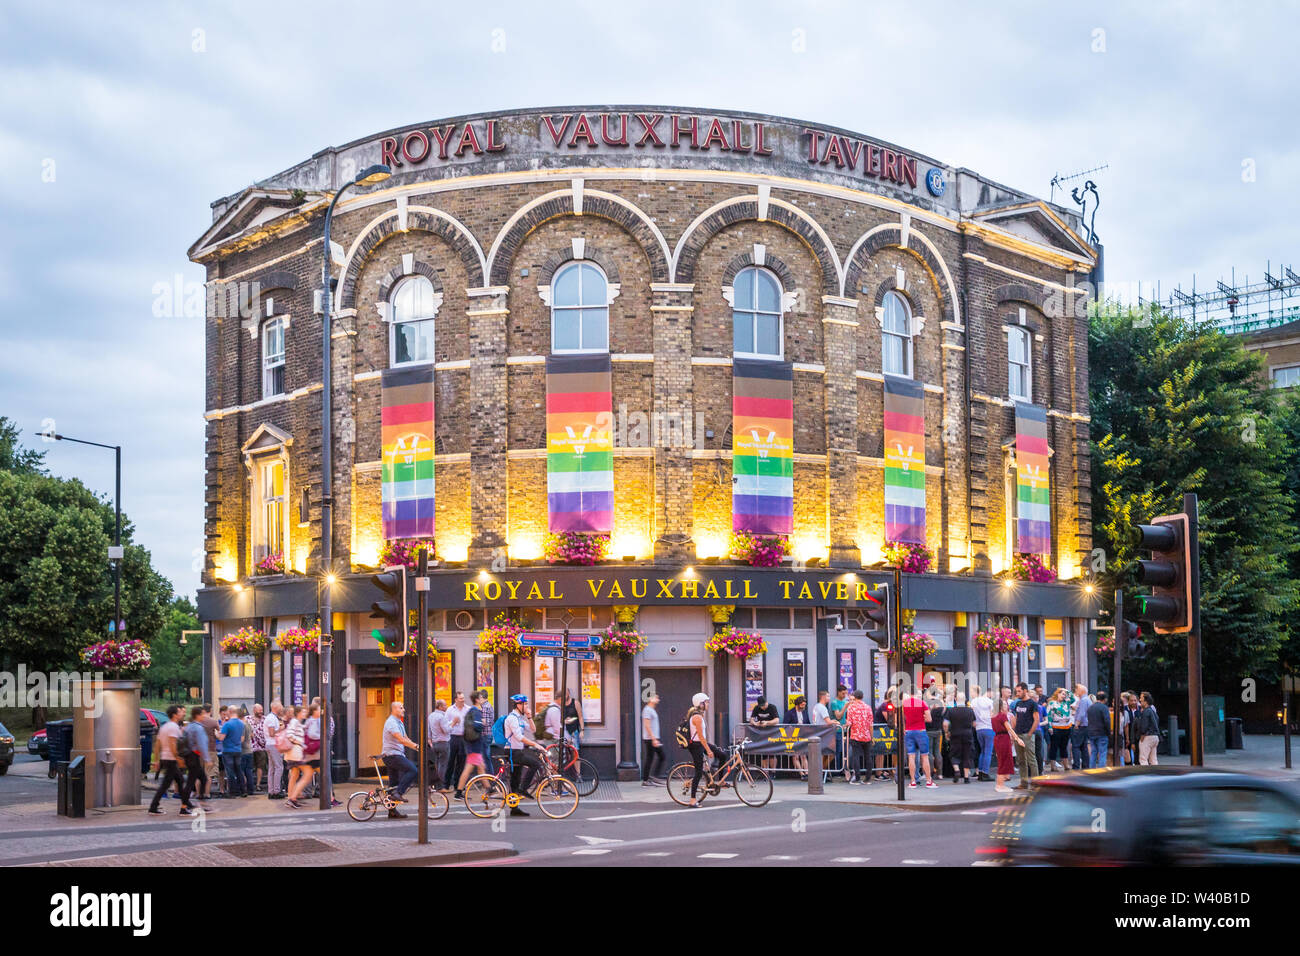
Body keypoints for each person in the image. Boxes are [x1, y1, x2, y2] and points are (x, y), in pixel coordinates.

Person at [503, 694, 547, 816]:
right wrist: (535, 744)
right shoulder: (512, 718)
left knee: (515, 780)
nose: (527, 706)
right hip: (512, 752)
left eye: (527, 704)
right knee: (536, 764)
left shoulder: (520, 718)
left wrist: (529, 716)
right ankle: (524, 789)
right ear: (518, 705)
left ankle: (514, 808)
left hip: (517, 751)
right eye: (525, 704)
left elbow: (533, 730)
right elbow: (519, 737)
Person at [149, 705, 194, 815]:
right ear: (174, 715)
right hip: (171, 759)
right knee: (167, 784)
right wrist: (178, 758)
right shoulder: (173, 727)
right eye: (179, 712)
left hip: (166, 758)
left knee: (179, 781)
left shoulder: (165, 727)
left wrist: (157, 760)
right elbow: (173, 744)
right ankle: (154, 807)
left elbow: (157, 745)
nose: (182, 714)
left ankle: (186, 805)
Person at [381, 701, 418, 818]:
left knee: (393, 784)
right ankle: (399, 793)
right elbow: (401, 740)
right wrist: (416, 746)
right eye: (401, 708)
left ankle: (392, 811)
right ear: (394, 710)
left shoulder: (399, 722)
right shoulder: (391, 722)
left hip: (395, 755)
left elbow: (405, 738)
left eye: (403, 707)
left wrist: (417, 747)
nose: (404, 710)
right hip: (392, 755)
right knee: (412, 770)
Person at [901, 690, 937, 788]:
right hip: (920, 731)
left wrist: (904, 728)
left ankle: (913, 781)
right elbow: (929, 719)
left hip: (909, 731)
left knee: (911, 757)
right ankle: (929, 781)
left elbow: (901, 718)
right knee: (924, 756)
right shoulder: (922, 703)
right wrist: (922, 718)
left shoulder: (904, 704)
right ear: (917, 694)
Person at [685, 692, 714, 807]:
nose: (708, 704)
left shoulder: (699, 715)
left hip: (700, 744)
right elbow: (701, 737)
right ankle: (692, 800)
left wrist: (710, 748)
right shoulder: (697, 717)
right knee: (698, 772)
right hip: (696, 746)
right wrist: (708, 750)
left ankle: (719, 782)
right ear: (701, 704)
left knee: (721, 754)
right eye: (706, 702)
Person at [456, 693, 488, 793]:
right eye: (482, 697)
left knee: (481, 767)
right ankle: (459, 792)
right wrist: (483, 723)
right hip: (475, 744)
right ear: (477, 700)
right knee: (470, 768)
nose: (484, 699)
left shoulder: (471, 710)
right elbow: (477, 725)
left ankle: (489, 789)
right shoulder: (476, 711)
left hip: (472, 744)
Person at [1010, 683, 1040, 787]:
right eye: (1016, 691)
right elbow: (1017, 718)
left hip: (1027, 734)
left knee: (1031, 760)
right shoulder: (1018, 704)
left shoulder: (1032, 703)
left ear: (1025, 691)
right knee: (1021, 760)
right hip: (1018, 735)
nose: (1017, 693)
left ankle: (1035, 784)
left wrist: (1030, 734)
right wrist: (1014, 733)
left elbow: (1037, 720)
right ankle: (1023, 783)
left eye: (1019, 691)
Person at [181, 705, 210, 810]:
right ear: (197, 715)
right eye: (202, 714)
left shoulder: (189, 726)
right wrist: (207, 759)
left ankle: (189, 802)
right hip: (194, 756)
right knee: (195, 780)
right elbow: (202, 744)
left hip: (189, 756)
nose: (204, 716)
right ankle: (188, 804)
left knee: (197, 779)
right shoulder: (198, 728)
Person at [283, 705, 312, 809]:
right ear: (299, 713)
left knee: (294, 775)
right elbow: (289, 735)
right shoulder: (295, 722)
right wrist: (300, 743)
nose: (304, 713)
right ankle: (292, 798)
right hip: (296, 754)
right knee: (308, 773)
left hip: (293, 754)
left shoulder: (297, 722)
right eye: (303, 712)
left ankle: (291, 798)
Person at [944, 692, 976, 783]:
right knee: (967, 755)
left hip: (955, 734)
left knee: (954, 754)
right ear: (965, 699)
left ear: (956, 700)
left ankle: (957, 770)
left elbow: (945, 724)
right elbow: (974, 724)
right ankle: (966, 777)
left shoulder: (951, 711)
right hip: (968, 734)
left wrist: (947, 733)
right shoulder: (970, 710)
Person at [217, 706, 246, 798]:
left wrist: (216, 733)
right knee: (239, 771)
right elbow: (241, 739)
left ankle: (232, 792)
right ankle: (243, 790)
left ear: (229, 712)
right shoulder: (241, 723)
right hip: (238, 750)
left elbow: (221, 738)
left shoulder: (227, 724)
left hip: (228, 750)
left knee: (230, 772)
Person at [845, 690, 873, 784]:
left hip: (856, 735)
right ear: (862, 696)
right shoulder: (868, 707)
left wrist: (845, 725)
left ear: (854, 697)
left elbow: (849, 723)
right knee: (868, 757)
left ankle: (857, 778)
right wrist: (871, 737)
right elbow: (870, 724)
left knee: (856, 756)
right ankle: (868, 778)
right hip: (867, 735)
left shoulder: (851, 708)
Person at [445, 691, 470, 796]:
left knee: (461, 762)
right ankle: (446, 785)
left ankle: (458, 785)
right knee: (450, 761)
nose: (463, 700)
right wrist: (453, 722)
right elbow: (445, 724)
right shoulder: (450, 710)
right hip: (453, 737)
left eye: (463, 698)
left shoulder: (468, 709)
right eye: (460, 698)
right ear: (455, 700)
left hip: (464, 738)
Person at [1045, 688, 1074, 772]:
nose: (1064, 695)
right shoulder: (1052, 703)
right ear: (1057, 694)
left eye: (1065, 694)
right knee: (1054, 746)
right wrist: (1050, 727)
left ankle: (1065, 765)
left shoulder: (1067, 702)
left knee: (1064, 746)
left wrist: (1067, 691)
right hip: (1056, 727)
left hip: (1066, 727)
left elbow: (1073, 698)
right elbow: (1049, 715)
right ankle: (1053, 766)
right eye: (1062, 693)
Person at [748, 695, 779, 772]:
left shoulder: (772, 707)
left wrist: (767, 723)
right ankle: (765, 772)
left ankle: (773, 772)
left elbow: (777, 720)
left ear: (766, 702)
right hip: (761, 734)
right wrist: (755, 724)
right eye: (761, 706)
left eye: (764, 705)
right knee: (763, 754)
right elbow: (751, 719)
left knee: (772, 753)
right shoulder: (756, 708)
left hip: (772, 733)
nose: (763, 708)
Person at [969, 686, 994, 781]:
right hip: (988, 727)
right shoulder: (989, 701)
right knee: (987, 751)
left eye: (971, 692)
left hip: (979, 729)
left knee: (982, 751)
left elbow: (972, 716)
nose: (971, 694)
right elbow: (993, 714)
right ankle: (985, 773)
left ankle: (980, 772)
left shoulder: (973, 702)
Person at [782, 696, 810, 778]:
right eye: (802, 705)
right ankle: (802, 774)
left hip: (802, 736)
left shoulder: (804, 712)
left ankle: (807, 773)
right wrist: (794, 726)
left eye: (804, 705)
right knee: (795, 756)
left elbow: (808, 723)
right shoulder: (790, 713)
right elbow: (785, 725)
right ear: (797, 704)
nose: (803, 707)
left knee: (804, 755)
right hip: (793, 736)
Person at [991, 699, 1016, 792]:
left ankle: (1000, 784)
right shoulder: (1002, 716)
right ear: (1001, 706)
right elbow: (1009, 729)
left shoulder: (993, 715)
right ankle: (1000, 785)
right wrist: (1017, 738)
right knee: (1004, 762)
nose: (1007, 706)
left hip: (998, 738)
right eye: (1005, 704)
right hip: (1004, 738)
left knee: (1002, 761)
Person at [642, 693, 665, 786]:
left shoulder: (650, 710)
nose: (658, 699)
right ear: (650, 699)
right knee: (662, 756)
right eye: (656, 697)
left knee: (650, 758)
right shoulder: (647, 710)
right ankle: (654, 778)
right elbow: (647, 725)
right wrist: (653, 739)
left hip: (651, 738)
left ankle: (646, 780)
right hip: (650, 738)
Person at [829, 685, 851, 781]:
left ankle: (844, 769)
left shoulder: (845, 701)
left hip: (845, 729)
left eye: (845, 693)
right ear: (838, 692)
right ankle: (837, 770)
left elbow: (846, 715)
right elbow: (838, 716)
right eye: (843, 693)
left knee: (845, 751)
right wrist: (845, 706)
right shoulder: (834, 703)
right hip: (838, 730)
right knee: (838, 750)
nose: (844, 695)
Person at [427, 700, 451, 791]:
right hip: (443, 743)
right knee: (443, 765)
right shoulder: (442, 717)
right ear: (440, 707)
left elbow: (428, 730)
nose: (446, 706)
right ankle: (440, 787)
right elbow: (447, 730)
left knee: (437, 765)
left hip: (434, 743)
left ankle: (435, 785)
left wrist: (430, 741)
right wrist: (454, 723)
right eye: (445, 705)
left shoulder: (431, 716)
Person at [200, 705, 222, 797]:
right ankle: (207, 793)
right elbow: (219, 735)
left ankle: (198, 793)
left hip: (199, 750)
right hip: (211, 749)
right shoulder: (213, 721)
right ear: (211, 711)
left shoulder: (198, 721)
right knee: (209, 774)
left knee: (199, 773)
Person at [264, 702, 285, 799]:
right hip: (273, 745)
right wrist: (281, 729)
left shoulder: (272, 717)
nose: (282, 708)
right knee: (279, 767)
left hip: (270, 744)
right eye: (280, 706)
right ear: (275, 707)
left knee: (272, 769)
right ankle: (276, 791)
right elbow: (272, 733)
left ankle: (271, 791)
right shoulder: (272, 718)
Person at [1087, 691, 1111, 767]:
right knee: (1102, 753)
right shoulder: (1104, 708)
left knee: (1093, 752)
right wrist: (1108, 732)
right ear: (1105, 699)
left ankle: (1092, 769)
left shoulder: (1090, 708)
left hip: (1091, 733)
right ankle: (1101, 771)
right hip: (1102, 733)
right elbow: (1107, 721)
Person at [1136, 692, 1160, 765]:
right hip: (1155, 736)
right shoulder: (1152, 711)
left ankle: (1145, 775)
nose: (1139, 700)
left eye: (1141, 699)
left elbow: (1144, 726)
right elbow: (1157, 720)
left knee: (1143, 759)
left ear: (1145, 701)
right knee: (1153, 760)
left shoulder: (1146, 711)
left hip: (1147, 736)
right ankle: (1155, 775)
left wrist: (1142, 734)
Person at [1070, 683, 1091, 770]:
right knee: (1084, 747)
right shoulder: (1087, 700)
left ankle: (1076, 766)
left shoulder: (1083, 700)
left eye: (1077, 689)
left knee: (1075, 746)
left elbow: (1082, 714)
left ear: (1081, 691)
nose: (1075, 691)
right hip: (1086, 726)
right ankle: (1086, 766)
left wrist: (1076, 724)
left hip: (1081, 726)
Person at [237, 705, 256, 797]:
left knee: (241, 771)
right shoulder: (248, 724)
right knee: (249, 771)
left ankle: (243, 789)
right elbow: (252, 735)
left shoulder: (242, 725)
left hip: (243, 751)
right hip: (250, 750)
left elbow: (242, 738)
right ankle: (251, 789)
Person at [249, 703, 268, 792]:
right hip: (250, 747)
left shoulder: (265, 719)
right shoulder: (247, 719)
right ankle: (249, 784)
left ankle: (258, 784)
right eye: (259, 710)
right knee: (249, 766)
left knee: (260, 766)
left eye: (262, 710)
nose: (261, 712)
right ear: (254, 710)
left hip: (262, 747)